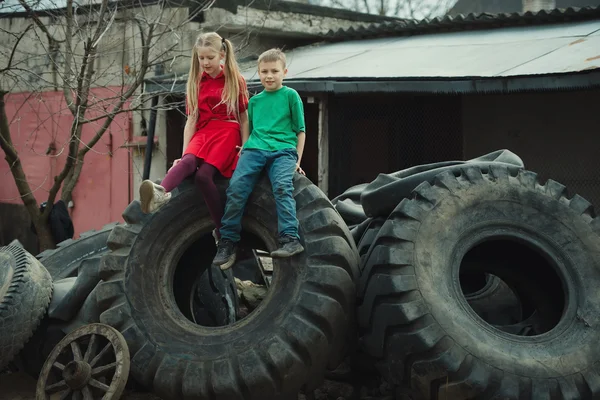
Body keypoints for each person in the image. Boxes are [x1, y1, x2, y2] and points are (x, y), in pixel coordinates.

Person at [138, 32, 249, 243]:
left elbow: (243, 118)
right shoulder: (196, 81)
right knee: (187, 162)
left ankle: (224, 232)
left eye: (210, 58)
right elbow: (191, 120)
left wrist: (245, 146)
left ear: (222, 55)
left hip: (227, 131)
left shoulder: (236, 80)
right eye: (201, 58)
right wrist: (184, 153)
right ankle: (160, 193)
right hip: (203, 130)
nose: (205, 62)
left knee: (203, 177)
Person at [212, 48, 306, 270]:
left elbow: (300, 131)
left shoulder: (291, 96)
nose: (269, 76)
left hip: (283, 150)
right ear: (259, 72)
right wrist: (244, 148)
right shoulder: (254, 102)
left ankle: (290, 239)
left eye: (274, 71)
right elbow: (249, 128)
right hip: (254, 149)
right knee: (236, 189)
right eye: (264, 71)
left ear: (284, 72)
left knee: (282, 187)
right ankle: (228, 241)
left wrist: (297, 160)